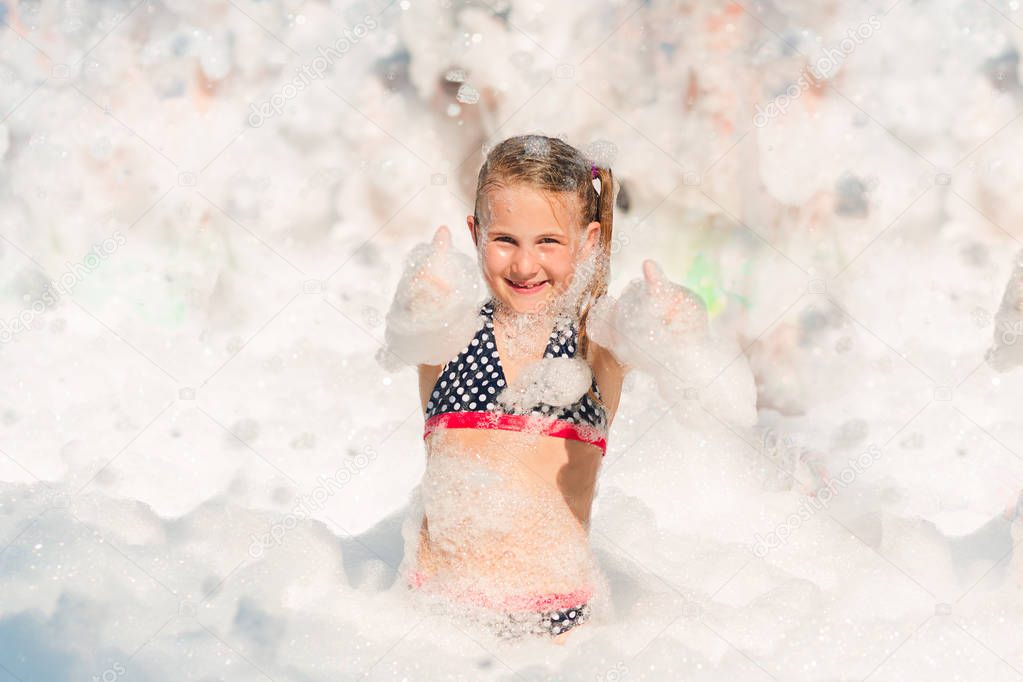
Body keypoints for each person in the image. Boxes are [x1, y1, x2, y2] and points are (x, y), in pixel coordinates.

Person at [379, 134, 747, 642]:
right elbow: (412, 324)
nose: (525, 265)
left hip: (557, 638)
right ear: (475, 233)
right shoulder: (447, 331)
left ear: (589, 241)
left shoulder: (599, 342)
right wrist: (421, 298)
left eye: (548, 242)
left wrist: (677, 330)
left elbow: (693, 375)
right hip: (434, 627)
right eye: (505, 239)